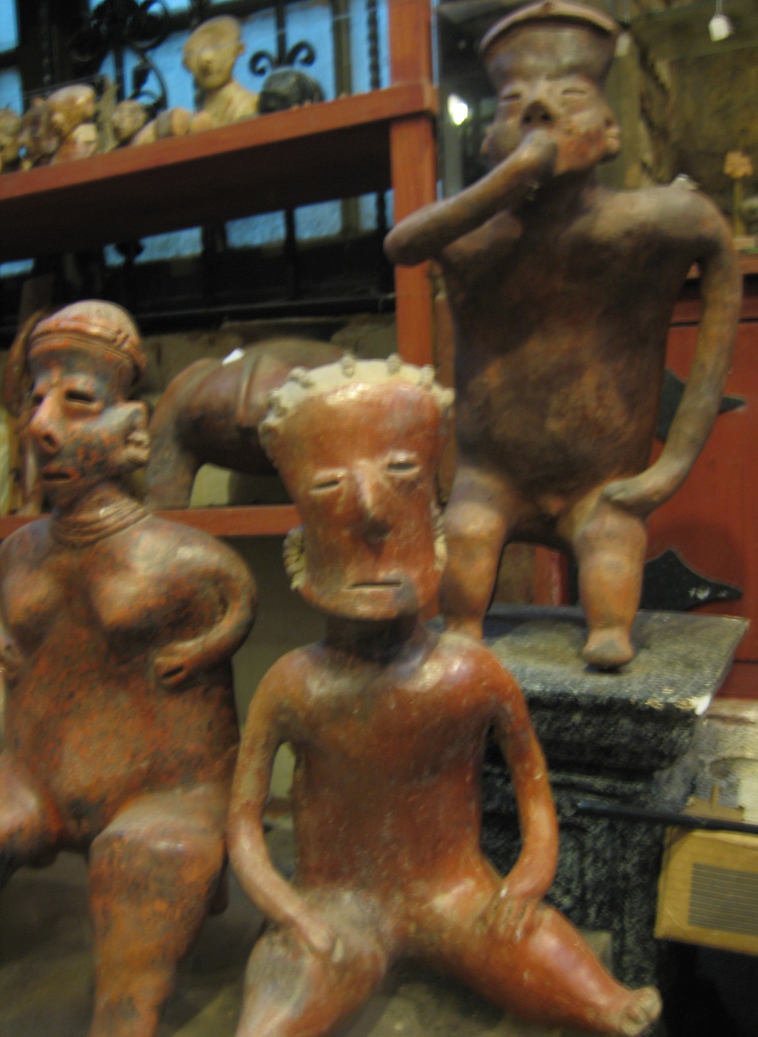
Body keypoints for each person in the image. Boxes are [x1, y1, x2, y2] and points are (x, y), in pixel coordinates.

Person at [227, 355, 661, 1037]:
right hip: (338, 909)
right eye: (330, 484)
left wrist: (528, 874)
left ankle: (607, 1001)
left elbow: (535, 797)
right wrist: (293, 910)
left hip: (459, 896)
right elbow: (243, 827)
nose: (370, 509)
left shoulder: (471, 673)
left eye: (401, 474)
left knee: (537, 946)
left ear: (434, 526)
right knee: (286, 992)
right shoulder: (293, 683)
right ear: (302, 539)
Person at [384, 0, 742, 668]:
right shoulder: (470, 240)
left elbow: (720, 261)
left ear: (610, 132)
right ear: (487, 142)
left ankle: (604, 626)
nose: (538, 109)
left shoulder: (652, 223)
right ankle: (467, 626)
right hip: (489, 480)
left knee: (610, 624)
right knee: (461, 612)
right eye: (512, 101)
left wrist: (672, 466)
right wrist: (511, 179)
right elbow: (403, 243)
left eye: (570, 96)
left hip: (603, 483)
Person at [0, 300, 256, 1037]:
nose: (43, 425)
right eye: (35, 401)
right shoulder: (18, 553)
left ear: (133, 429)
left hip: (164, 793)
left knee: (143, 861)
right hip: (31, 778)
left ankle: (125, 1014)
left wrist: (212, 640)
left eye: (78, 401)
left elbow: (237, 601)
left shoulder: (189, 561)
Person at [183, 15, 258, 128]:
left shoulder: (249, 104)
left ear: (239, 49)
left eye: (217, 46)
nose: (205, 59)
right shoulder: (195, 116)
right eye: (194, 53)